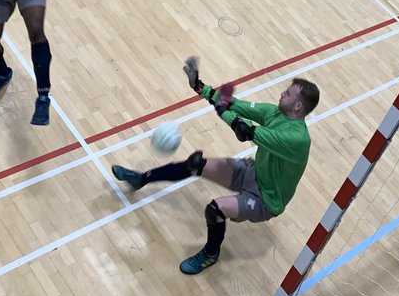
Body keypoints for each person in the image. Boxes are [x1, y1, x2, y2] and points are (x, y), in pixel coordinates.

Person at [112, 59, 319, 275]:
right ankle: (140, 179)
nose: (282, 94)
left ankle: (210, 254)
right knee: (195, 165)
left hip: (266, 199)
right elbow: (232, 103)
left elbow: (244, 130)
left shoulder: (296, 139)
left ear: (298, 106)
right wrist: (200, 87)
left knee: (215, 209)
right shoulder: (274, 112)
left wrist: (222, 111)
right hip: (253, 172)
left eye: (288, 94)